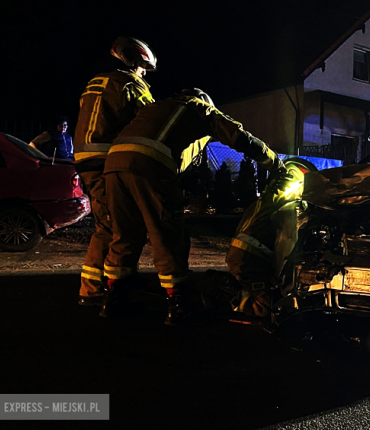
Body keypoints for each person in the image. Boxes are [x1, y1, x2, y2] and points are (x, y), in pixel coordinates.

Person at [101, 89, 284, 326]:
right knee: (168, 235)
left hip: (113, 164)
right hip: (150, 164)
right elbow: (237, 135)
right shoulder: (199, 107)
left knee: (124, 233)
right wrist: (274, 162)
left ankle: (113, 301)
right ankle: (179, 306)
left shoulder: (159, 107)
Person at [73, 37, 157, 306]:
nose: (144, 73)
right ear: (132, 61)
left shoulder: (97, 82)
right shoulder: (130, 84)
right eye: (143, 67)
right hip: (108, 162)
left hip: (89, 159)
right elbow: (151, 119)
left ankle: (119, 278)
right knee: (114, 226)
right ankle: (94, 289)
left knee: (117, 224)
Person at [221, 157, 315, 320]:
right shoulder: (289, 206)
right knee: (267, 308)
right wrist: (279, 278)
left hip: (245, 258)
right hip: (251, 261)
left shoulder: (267, 200)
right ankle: (231, 293)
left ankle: (240, 288)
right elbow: (287, 240)